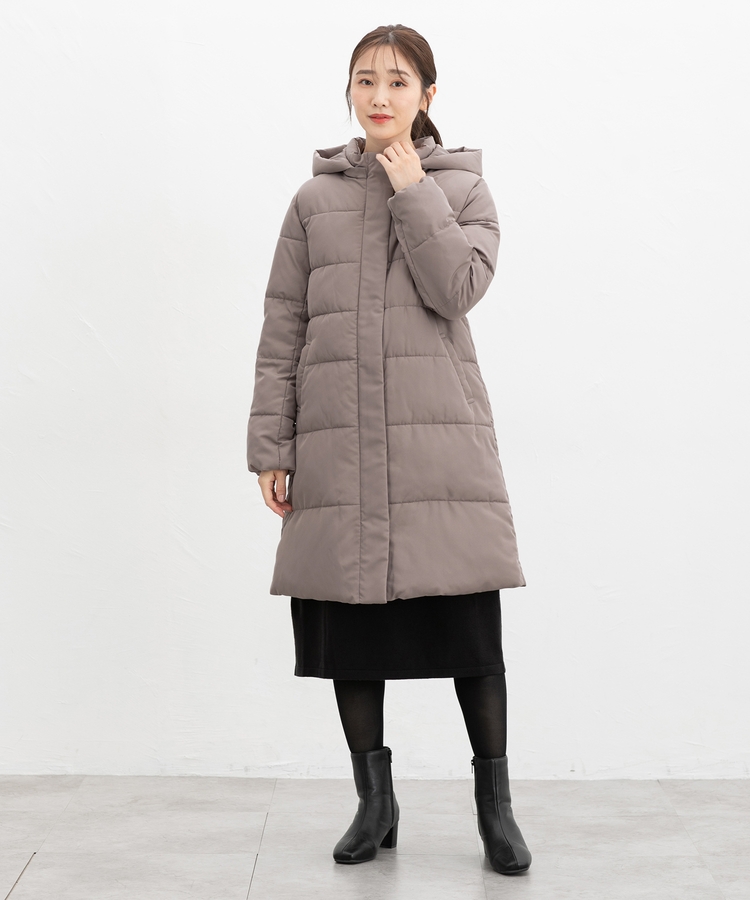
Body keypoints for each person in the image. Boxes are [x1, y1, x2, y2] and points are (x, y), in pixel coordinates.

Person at [246, 23, 531, 875]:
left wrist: (413, 189)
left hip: (439, 454)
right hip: (338, 447)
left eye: (398, 82)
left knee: (472, 640)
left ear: (428, 96)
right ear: (349, 90)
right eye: (365, 80)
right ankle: (375, 803)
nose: (379, 96)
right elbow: (283, 326)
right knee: (350, 632)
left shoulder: (462, 187)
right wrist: (271, 444)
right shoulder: (314, 200)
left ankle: (495, 810)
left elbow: (459, 288)